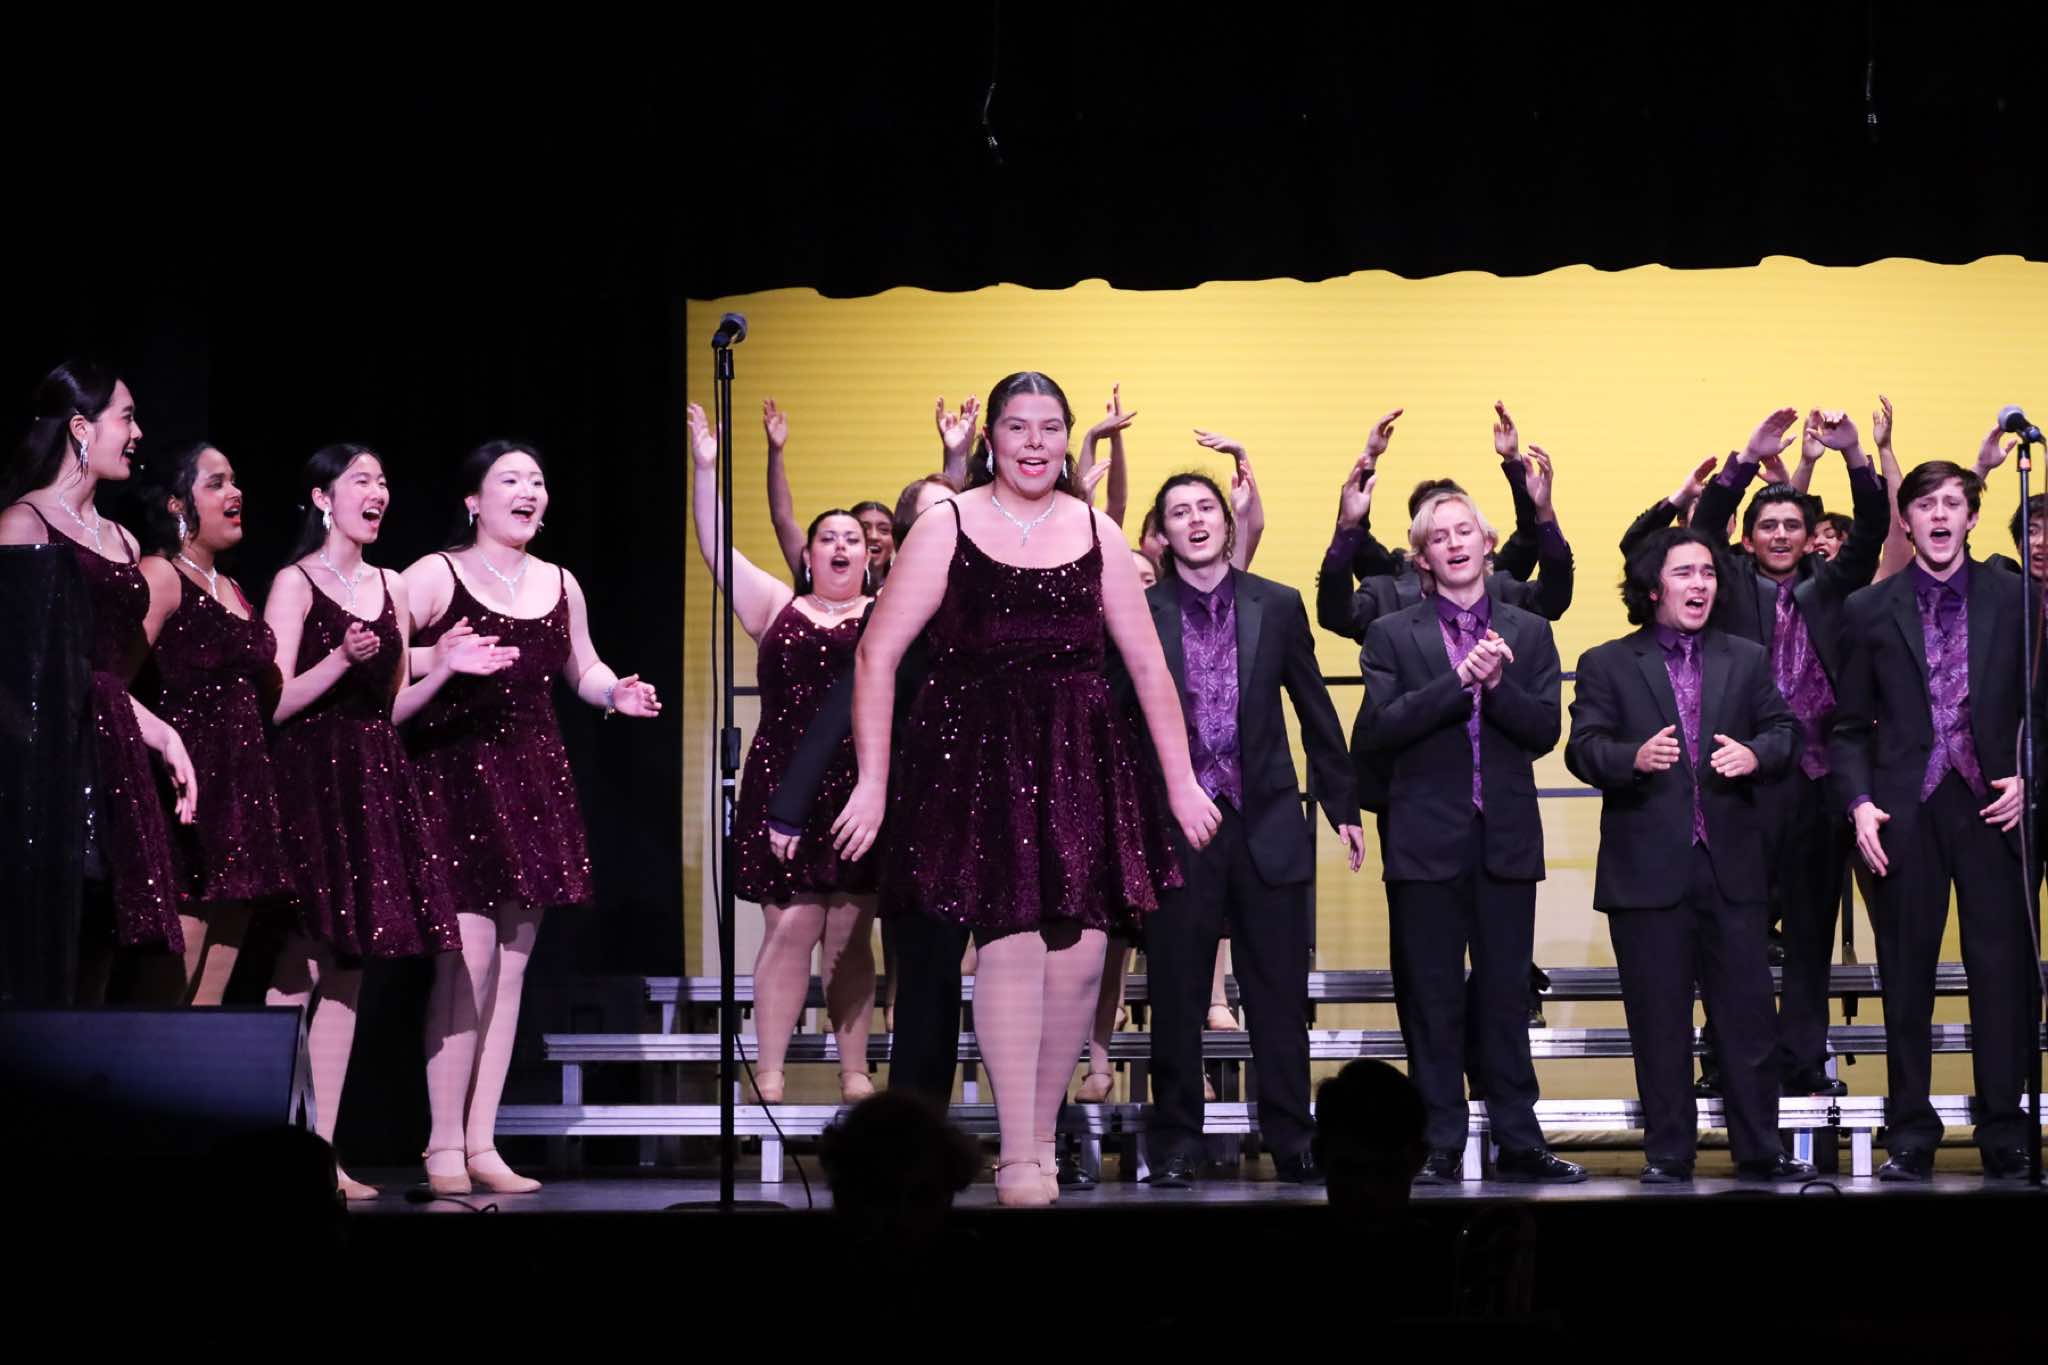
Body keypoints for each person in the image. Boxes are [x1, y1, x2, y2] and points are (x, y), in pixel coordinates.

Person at [838, 370, 1215, 1208]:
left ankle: (1041, 1140)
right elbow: (877, 653)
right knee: (1009, 946)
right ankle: (1014, 1153)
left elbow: (1148, 665)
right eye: (1017, 426)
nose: (1035, 443)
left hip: (1078, 754)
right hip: (972, 758)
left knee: (1079, 959)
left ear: (1066, 437)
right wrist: (872, 780)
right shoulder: (947, 523)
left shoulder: (1096, 529)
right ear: (992, 439)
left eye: (1050, 427)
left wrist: (1183, 782)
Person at [401, 439, 660, 1195]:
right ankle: (442, 1142)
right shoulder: (435, 573)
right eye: (509, 479)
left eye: (538, 481)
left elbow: (583, 665)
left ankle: (481, 1141)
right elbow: (380, 656)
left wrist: (615, 693)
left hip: (534, 782)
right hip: (455, 780)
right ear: (472, 500)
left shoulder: (560, 581)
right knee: (467, 962)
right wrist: (439, 658)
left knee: (510, 971)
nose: (528, 491)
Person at [263, 443, 503, 1200]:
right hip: (309, 780)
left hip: (372, 780)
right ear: (322, 497)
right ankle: (280, 1149)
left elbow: (391, 704)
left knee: (348, 968)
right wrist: (339, 658)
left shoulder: (392, 585)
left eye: (383, 480)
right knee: (301, 962)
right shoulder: (295, 582)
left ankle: (324, 1151)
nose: (378, 492)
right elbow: (273, 700)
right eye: (360, 480)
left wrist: (446, 667)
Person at [1120, 470, 1364, 1188]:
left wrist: (1342, 805)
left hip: (1267, 822)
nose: (1195, 520)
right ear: (1162, 535)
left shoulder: (1277, 604)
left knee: (1278, 993)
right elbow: (1121, 725)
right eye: (1179, 513)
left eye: (1206, 508)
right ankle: (1176, 1141)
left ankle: (1293, 1138)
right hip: (1179, 825)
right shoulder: (1142, 611)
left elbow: (1314, 708)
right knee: (1176, 991)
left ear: (1228, 524)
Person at [1565, 527, 1814, 1183]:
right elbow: (1582, 748)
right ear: (1653, 588)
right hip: (1646, 873)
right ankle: (1669, 1153)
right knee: (1659, 1022)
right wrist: (1633, 757)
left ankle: (1759, 1149)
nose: (1700, 583)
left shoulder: (1746, 658)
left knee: (1749, 1020)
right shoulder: (1608, 662)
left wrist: (1756, 753)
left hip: (1732, 867)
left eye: (1708, 572)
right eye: (1685, 573)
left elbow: (1785, 731)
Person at [1361, 489, 1584, 1184]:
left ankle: (1519, 1139)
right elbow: (1382, 727)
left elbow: (1544, 730)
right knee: (1430, 997)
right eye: (1440, 537)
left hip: (1506, 839)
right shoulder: (1392, 634)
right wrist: (1458, 682)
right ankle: (1437, 1141)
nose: (1455, 544)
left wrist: (1497, 685)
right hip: (1423, 841)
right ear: (1422, 557)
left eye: (1466, 532)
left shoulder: (1530, 630)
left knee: (1505, 995)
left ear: (1489, 544)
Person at [1829, 459, 2043, 1180]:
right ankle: (1911, 1133)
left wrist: (2031, 776)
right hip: (1904, 809)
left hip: (1995, 807)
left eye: (1954, 502)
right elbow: (1847, 727)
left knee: (2003, 973)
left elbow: (2043, 710)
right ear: (1907, 519)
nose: (1941, 515)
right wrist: (1859, 803)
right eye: (1926, 504)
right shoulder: (1868, 608)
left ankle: (2004, 1129)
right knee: (1905, 975)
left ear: (1973, 516)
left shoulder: (2020, 599)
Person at [1687, 408, 1888, 1096]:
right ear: (1750, 538)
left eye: (1792, 525)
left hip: (1819, 781)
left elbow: (1874, 527)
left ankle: (1803, 1061)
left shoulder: (1832, 584)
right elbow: (1702, 530)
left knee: (1809, 933)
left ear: (1809, 538)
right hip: (1742, 779)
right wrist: (1746, 460)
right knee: (1733, 929)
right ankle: (1726, 1058)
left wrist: (1855, 455)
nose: (1779, 534)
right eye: (1768, 525)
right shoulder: (1728, 583)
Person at [689, 403, 880, 1105]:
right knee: (791, 925)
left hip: (859, 790)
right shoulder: (777, 605)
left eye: (852, 539)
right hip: (783, 787)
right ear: (808, 554)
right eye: (827, 537)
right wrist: (705, 468)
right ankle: (767, 1068)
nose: (839, 546)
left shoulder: (887, 613)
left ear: (869, 556)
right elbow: (716, 548)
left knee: (850, 933)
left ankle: (854, 1068)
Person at [765, 472, 968, 1104]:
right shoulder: (895, 605)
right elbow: (844, 703)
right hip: (921, 809)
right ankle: (917, 1121)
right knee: (926, 970)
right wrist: (792, 804)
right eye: (931, 521)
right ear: (906, 540)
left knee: (1020, 971)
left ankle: (1035, 1135)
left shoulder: (1003, 601)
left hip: (1003, 801)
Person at [0, 361, 196, 1002]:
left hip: (114, 760)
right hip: (51, 768)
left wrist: (162, 734)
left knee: (104, 949)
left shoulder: (123, 540)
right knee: (46, 956)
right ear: (81, 428)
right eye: (127, 418)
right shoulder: (23, 525)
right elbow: (25, 678)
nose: (138, 434)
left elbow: (108, 676)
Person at [135, 442, 295, 1004]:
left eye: (235, 480)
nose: (236, 493)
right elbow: (110, 682)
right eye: (216, 482)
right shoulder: (160, 575)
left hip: (242, 801)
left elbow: (271, 693)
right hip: (188, 801)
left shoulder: (233, 589)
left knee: (209, 1006)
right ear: (178, 504)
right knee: (167, 1003)